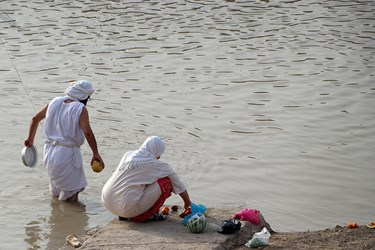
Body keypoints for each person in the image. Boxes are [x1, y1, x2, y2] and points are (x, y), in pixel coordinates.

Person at [24, 80, 105, 202]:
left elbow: (35, 119)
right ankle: (71, 218)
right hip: (66, 154)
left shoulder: (54, 102)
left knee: (56, 192)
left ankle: (58, 217)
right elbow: (87, 132)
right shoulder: (80, 108)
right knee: (71, 193)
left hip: (49, 152)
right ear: (85, 97)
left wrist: (30, 139)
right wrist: (95, 153)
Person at [101, 136, 191, 222]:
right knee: (166, 182)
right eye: (159, 154)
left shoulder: (128, 155)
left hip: (107, 201)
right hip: (126, 207)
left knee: (133, 182)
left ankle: (123, 214)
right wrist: (187, 202)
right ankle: (146, 215)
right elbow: (178, 183)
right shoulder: (157, 165)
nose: (159, 157)